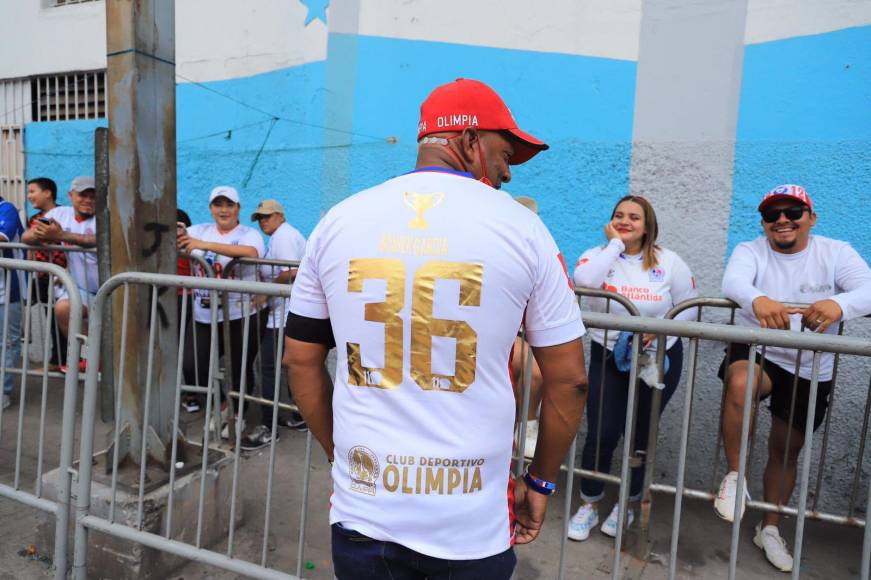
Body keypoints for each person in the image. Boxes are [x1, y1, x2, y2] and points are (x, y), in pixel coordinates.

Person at [284, 78, 588, 579]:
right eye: (504, 153)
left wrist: (344, 459)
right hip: (471, 524)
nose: (508, 172)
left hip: (365, 514)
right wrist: (540, 484)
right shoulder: (523, 229)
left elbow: (300, 358)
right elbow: (570, 380)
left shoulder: (338, 221)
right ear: (469, 141)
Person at [715, 184, 871, 572]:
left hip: (809, 366)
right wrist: (757, 300)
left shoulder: (836, 252)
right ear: (764, 224)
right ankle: (735, 477)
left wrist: (839, 304)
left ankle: (769, 528)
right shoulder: (750, 250)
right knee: (740, 382)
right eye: (772, 215)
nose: (782, 220)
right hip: (760, 352)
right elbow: (733, 282)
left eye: (793, 212)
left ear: (810, 219)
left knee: (785, 451)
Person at [568, 195, 698, 541]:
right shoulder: (597, 255)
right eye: (619, 216)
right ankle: (590, 503)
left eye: (634, 218)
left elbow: (689, 308)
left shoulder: (670, 262)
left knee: (641, 435)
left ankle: (627, 503)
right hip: (608, 354)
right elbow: (584, 281)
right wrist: (615, 245)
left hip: (656, 358)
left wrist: (663, 328)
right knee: (601, 432)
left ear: (648, 225)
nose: (626, 221)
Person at [178, 186, 266, 437]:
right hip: (204, 314)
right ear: (211, 208)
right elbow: (177, 234)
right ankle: (222, 405)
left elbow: (251, 252)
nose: (224, 210)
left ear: (238, 208)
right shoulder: (199, 230)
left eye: (229, 205)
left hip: (241, 313)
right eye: (218, 204)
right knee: (193, 364)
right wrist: (176, 230)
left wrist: (203, 245)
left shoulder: (248, 234)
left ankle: (237, 414)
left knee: (240, 366)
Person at [240, 199, 306, 450]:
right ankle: (300, 416)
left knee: (268, 369)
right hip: (288, 313)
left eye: (268, 216)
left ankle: (268, 427)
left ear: (280, 215)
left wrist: (266, 292)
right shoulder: (282, 235)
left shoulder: (284, 237)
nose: (263, 222)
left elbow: (292, 271)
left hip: (285, 315)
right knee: (292, 368)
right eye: (260, 218)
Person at [23, 176, 98, 373]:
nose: (88, 200)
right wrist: (42, 235)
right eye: (83, 195)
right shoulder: (59, 213)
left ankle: (101, 358)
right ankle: (90, 358)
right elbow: (27, 236)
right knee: (63, 308)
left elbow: (97, 239)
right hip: (81, 289)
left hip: (112, 289)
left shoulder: (105, 217)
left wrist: (60, 236)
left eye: (93, 196)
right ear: (71, 195)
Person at [511, 194, 545, 458]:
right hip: (491, 332)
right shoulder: (494, 247)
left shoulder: (538, 253)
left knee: (536, 371)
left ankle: (528, 426)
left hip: (522, 334)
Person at [25, 177, 66, 369]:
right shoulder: (34, 219)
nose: (29, 196)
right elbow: (30, 245)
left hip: (60, 276)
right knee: (49, 318)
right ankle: (56, 360)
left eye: (33, 191)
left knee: (62, 319)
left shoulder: (62, 216)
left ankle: (64, 360)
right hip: (42, 275)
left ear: (47, 193)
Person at [0, 195, 25, 409]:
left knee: (8, 343)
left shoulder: (6, 208)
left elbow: (2, 236)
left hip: (7, 292)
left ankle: (3, 392)